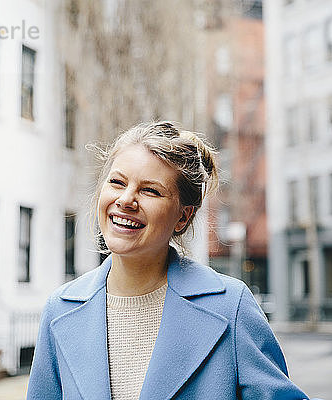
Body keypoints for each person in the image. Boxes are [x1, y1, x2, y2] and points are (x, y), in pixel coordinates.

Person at [26, 121, 314, 399]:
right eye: (117, 182)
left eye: (150, 190)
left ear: (183, 216)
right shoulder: (60, 309)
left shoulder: (230, 307)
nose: (126, 199)